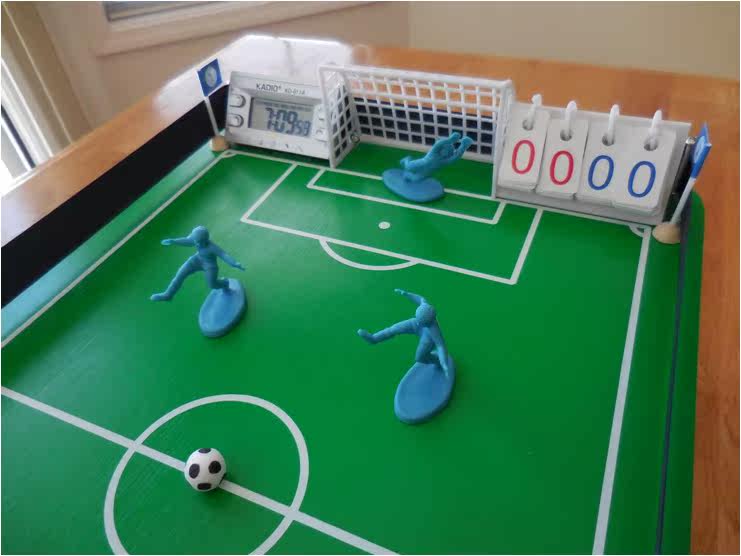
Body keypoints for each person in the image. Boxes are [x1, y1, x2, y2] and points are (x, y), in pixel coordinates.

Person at [358, 289, 450, 374]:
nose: (419, 322)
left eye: (421, 322)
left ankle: (437, 362)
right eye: (418, 319)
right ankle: (374, 338)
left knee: (420, 357)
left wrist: (444, 363)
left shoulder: (434, 330)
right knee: (393, 329)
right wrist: (407, 294)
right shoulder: (424, 307)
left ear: (429, 322)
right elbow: (420, 299)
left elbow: (440, 346)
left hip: (427, 338)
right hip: (414, 325)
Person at [151, 226, 244, 302]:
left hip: (210, 266)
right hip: (197, 259)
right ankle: (168, 295)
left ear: (204, 241)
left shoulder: (211, 247)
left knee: (212, 284)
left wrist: (234, 263)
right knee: (180, 274)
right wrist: (173, 241)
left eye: (198, 242)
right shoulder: (195, 239)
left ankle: (225, 283)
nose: (195, 243)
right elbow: (187, 241)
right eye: (195, 241)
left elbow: (223, 254)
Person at [400, 132, 473, 182]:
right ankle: (407, 159)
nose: (446, 152)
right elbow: (439, 144)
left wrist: (463, 146)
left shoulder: (444, 161)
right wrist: (451, 140)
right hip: (421, 163)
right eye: (445, 149)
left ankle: (407, 176)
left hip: (427, 171)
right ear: (441, 148)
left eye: (449, 151)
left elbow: (455, 157)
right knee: (408, 167)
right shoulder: (434, 152)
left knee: (416, 179)